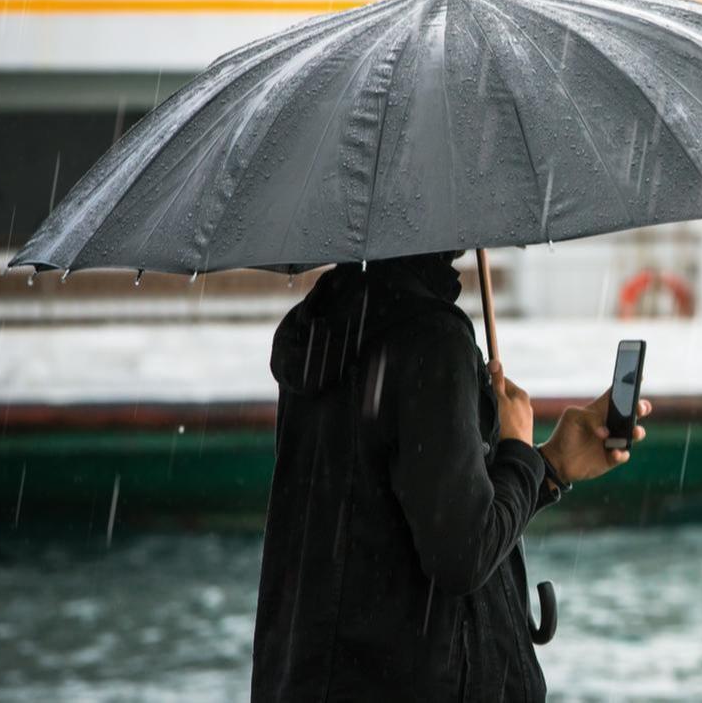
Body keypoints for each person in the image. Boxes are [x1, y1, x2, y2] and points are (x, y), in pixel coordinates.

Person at [251, 251, 649, 701]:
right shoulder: (430, 338)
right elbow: (463, 554)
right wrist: (517, 450)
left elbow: (397, 515)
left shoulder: (325, 326)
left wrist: (548, 466)